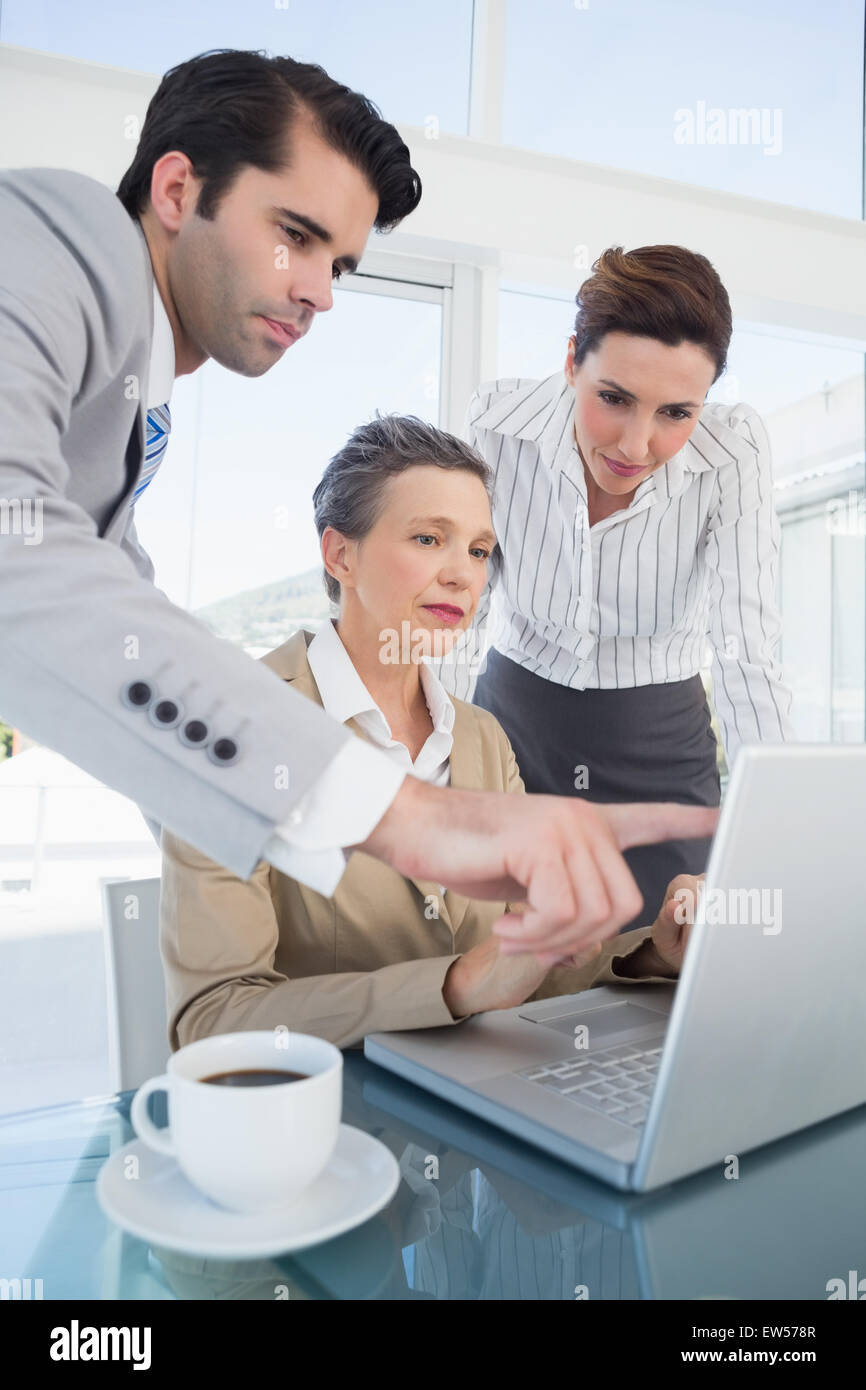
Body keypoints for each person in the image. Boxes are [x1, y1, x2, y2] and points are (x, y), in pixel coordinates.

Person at [0, 51, 715, 963]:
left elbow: (120, 639)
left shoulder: (131, 411)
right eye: (293, 236)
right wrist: (401, 814)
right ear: (177, 188)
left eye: (338, 261)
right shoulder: (43, 240)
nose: (320, 292)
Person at [160, 415, 694, 1051]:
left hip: (472, 1105)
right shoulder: (232, 729)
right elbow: (213, 1021)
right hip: (320, 1120)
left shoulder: (482, 739)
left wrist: (652, 953)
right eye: (427, 539)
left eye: (476, 550)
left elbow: (525, 968)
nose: (464, 576)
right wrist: (457, 983)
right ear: (340, 554)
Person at [439, 245, 792, 928]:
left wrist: (774, 834)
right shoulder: (497, 425)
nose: (636, 445)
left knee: (669, 971)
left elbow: (748, 649)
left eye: (676, 413)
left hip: (661, 755)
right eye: (614, 399)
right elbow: (458, 614)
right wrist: (433, 774)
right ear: (573, 360)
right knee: (503, 969)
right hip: (513, 740)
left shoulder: (734, 452)